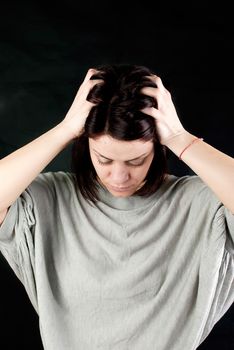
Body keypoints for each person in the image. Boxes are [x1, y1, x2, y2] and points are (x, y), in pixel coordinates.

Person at [0, 64, 233, 350]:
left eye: (136, 161)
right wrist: (65, 130)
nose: (119, 177)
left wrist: (179, 138)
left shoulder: (200, 204)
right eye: (104, 159)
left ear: (157, 150)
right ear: (86, 147)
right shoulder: (50, 199)